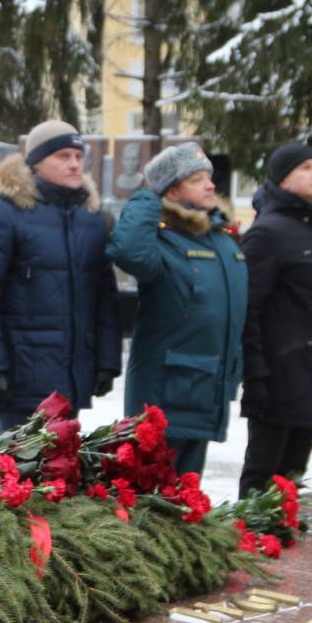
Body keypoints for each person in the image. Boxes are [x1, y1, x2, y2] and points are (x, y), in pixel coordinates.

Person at [108, 145, 247, 478]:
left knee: (185, 495)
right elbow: (128, 252)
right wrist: (147, 198)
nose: (210, 185)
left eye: (209, 178)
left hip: (206, 387)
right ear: (171, 191)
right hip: (165, 391)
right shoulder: (164, 240)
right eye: (197, 180)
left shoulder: (221, 238)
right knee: (150, 494)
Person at [0, 120, 120, 431]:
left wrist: (107, 361)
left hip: (71, 378)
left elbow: (105, 296)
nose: (74, 164)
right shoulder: (5, 214)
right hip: (21, 381)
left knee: (60, 473)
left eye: (78, 156)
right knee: (15, 474)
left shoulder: (90, 219)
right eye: (62, 156)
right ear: (35, 162)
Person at [238, 142, 312, 498]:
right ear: (283, 179)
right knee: (262, 477)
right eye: (306, 167)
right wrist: (256, 375)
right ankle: (251, 543)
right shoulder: (268, 232)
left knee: (292, 476)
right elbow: (247, 310)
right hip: (278, 377)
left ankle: (280, 534)